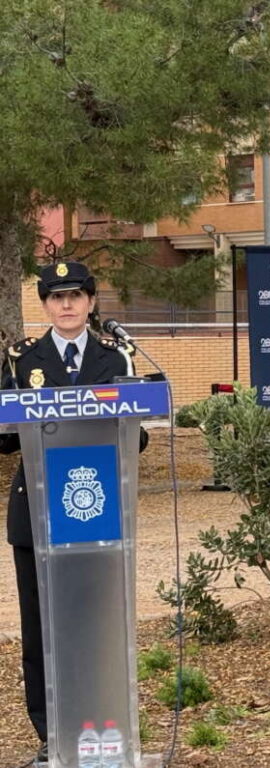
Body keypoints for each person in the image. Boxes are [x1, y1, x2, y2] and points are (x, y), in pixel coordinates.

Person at [1, 261, 138, 768]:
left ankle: (102, 726)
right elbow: (2, 437)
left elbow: (136, 436)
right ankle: (51, 733)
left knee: (98, 625)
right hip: (36, 513)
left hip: (98, 519)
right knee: (42, 630)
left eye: (75, 296)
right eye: (55, 297)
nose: (66, 305)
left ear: (91, 302)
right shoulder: (21, 360)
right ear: (43, 305)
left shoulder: (116, 357)